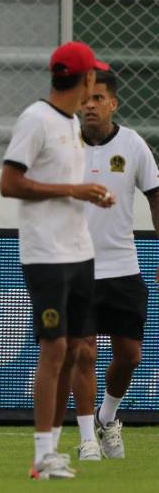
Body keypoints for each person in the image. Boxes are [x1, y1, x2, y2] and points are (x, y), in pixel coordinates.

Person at [0, 41, 115, 480]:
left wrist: (88, 194)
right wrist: (73, 190)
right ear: (86, 79)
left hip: (78, 250)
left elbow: (60, 182)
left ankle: (58, 447)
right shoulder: (37, 119)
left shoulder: (70, 124)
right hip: (46, 253)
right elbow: (9, 183)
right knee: (53, 348)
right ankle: (42, 454)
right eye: (94, 75)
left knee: (74, 349)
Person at [52, 69, 159, 460]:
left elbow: (156, 196)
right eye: (85, 99)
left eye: (98, 99)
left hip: (123, 267)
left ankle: (107, 416)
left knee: (130, 355)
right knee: (83, 353)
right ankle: (86, 438)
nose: (90, 105)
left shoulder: (133, 145)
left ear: (113, 103)